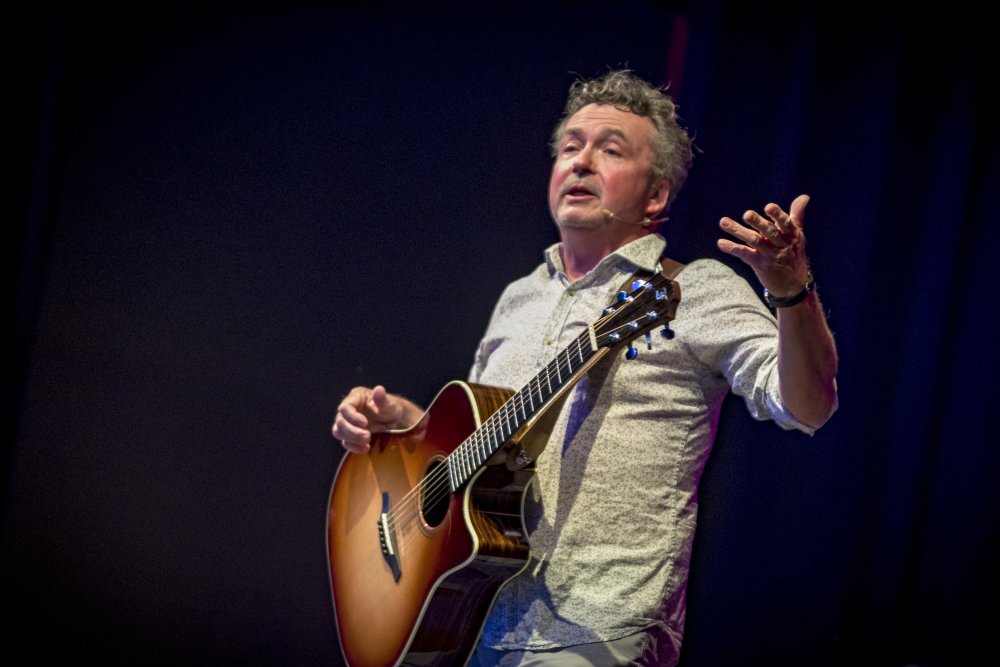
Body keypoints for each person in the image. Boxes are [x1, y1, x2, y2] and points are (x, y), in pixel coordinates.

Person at [332, 69, 838, 666]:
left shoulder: (695, 288)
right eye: (571, 147)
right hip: (474, 625)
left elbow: (809, 405)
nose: (581, 161)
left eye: (610, 150)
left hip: (598, 628)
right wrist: (407, 428)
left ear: (656, 196)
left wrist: (791, 291)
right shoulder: (518, 297)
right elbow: (475, 449)